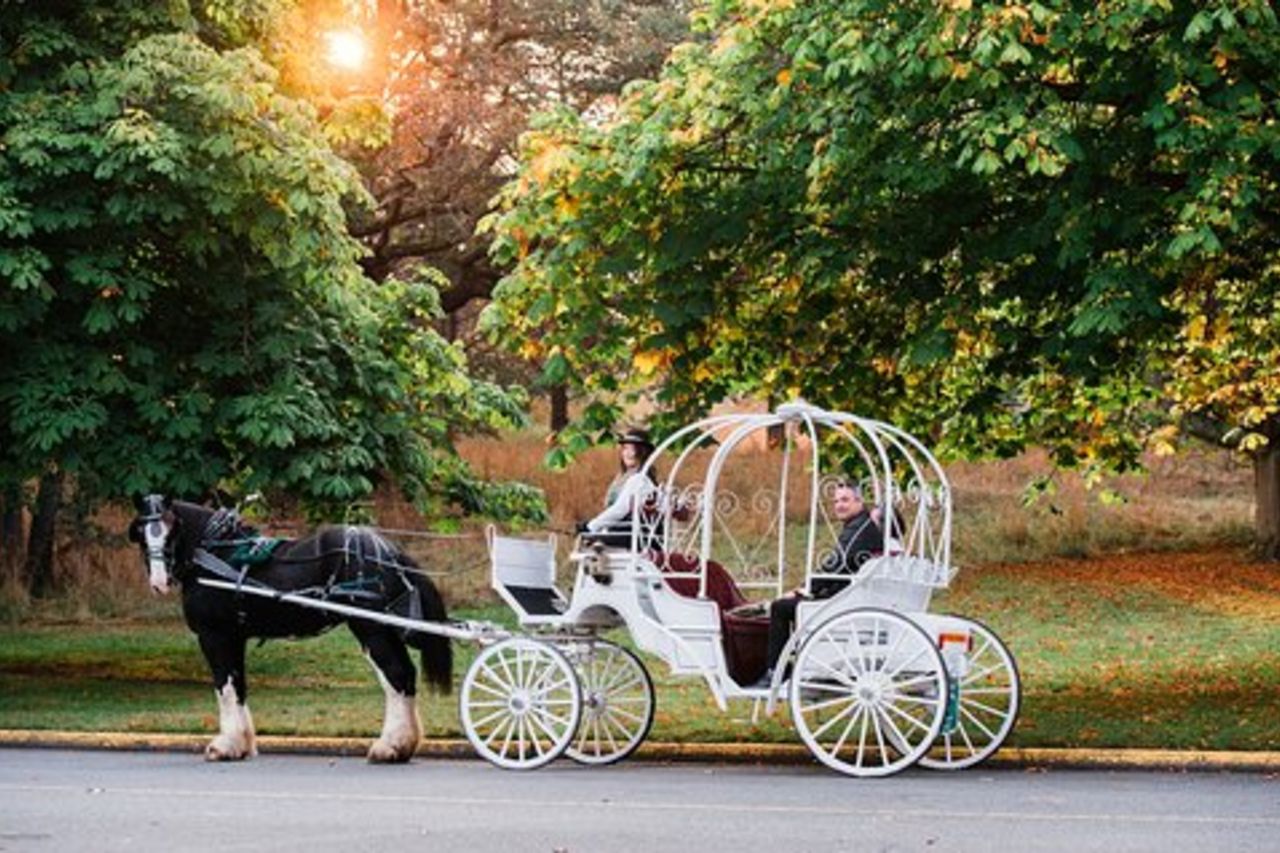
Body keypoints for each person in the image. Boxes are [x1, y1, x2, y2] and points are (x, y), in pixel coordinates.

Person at [754, 480, 883, 686]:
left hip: (842, 599)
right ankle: (788, 664)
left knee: (780, 608)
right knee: (788, 604)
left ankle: (775, 672)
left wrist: (806, 589)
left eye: (845, 500)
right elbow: (838, 565)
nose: (839, 505)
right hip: (850, 592)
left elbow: (836, 566)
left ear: (859, 502)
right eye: (836, 501)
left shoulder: (859, 529)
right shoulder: (861, 526)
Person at [580, 428, 659, 548]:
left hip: (635, 537)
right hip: (623, 530)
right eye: (625, 448)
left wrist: (591, 526)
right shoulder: (622, 478)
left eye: (633, 449)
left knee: (590, 541)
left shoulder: (640, 480)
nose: (628, 454)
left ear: (643, 452)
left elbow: (620, 509)